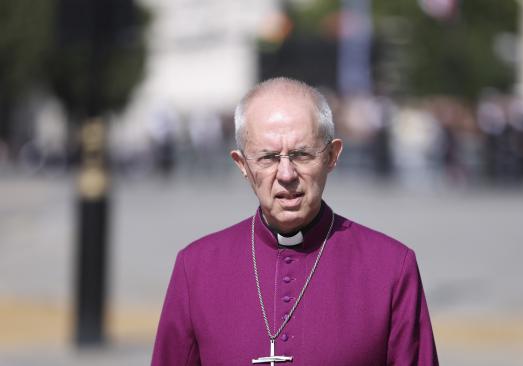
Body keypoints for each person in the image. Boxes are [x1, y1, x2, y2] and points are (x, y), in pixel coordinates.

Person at [151, 77, 438, 365]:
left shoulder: (390, 268)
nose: (286, 174)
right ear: (242, 164)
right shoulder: (196, 268)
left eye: (301, 155)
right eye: (268, 157)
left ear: (331, 156)